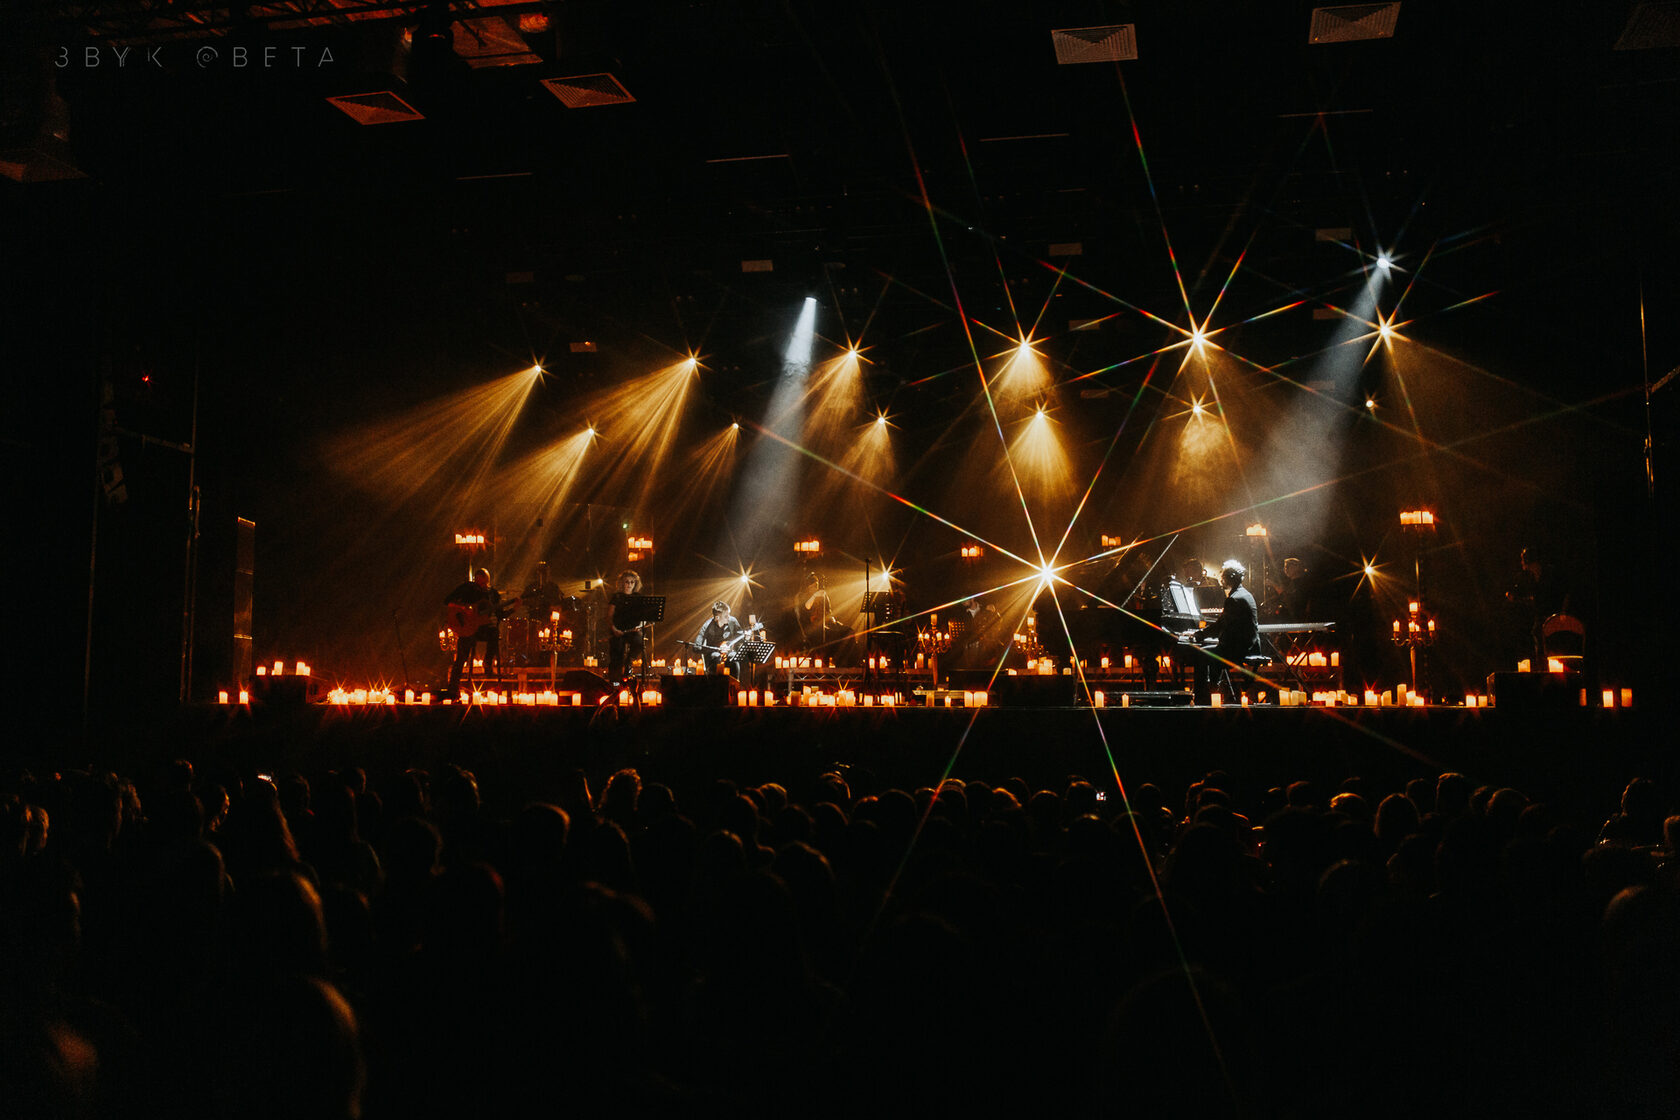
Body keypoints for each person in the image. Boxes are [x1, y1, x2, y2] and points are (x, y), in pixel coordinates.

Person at [1183, 559, 1260, 703]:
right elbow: (1225, 625)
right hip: (1249, 646)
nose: (1221, 580)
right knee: (1208, 651)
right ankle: (1212, 689)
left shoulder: (1234, 599)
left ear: (1229, 578)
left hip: (1238, 649)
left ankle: (1202, 698)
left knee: (1201, 654)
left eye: (1223, 576)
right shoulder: (1244, 594)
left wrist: (1200, 634)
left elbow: (1220, 625)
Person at [446, 568, 516, 695]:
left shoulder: (493, 594)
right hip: (467, 626)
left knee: (494, 633)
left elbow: (500, 615)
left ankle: (487, 663)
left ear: (487, 581)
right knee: (462, 656)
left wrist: (514, 609)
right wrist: (463, 608)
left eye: (483, 583)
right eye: (478, 583)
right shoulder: (467, 588)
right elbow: (448, 601)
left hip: (483, 628)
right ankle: (452, 689)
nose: (480, 586)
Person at [608, 570, 649, 688]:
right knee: (617, 652)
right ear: (622, 583)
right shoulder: (616, 597)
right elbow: (609, 616)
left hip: (633, 630)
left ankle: (629, 662)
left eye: (632, 582)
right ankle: (614, 682)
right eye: (627, 582)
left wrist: (640, 625)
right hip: (618, 630)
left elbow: (644, 617)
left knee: (639, 643)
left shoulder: (638, 597)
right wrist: (614, 629)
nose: (629, 584)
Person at [693, 600, 746, 675]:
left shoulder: (732, 621)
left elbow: (740, 638)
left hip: (729, 652)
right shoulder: (707, 626)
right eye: (725, 616)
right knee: (716, 657)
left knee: (733, 657)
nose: (728, 617)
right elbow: (696, 647)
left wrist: (731, 646)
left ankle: (735, 684)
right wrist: (717, 648)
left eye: (729, 614)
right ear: (717, 617)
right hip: (713, 656)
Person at [955, 597, 1005, 671]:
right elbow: (963, 634)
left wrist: (994, 612)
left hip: (988, 650)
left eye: (965, 600)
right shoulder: (962, 615)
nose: (962, 602)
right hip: (972, 652)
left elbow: (998, 624)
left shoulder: (986, 608)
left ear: (972, 598)